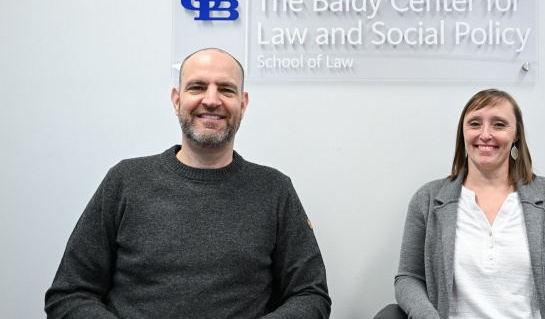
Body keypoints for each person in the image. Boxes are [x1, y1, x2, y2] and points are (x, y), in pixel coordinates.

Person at [45, 48, 331, 318]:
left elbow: (311, 294)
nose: (211, 100)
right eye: (197, 87)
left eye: (226, 89)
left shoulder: (274, 189)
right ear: (176, 100)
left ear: (242, 105)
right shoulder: (125, 181)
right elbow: (69, 294)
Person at [395, 89, 545, 319]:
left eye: (499, 125)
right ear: (463, 131)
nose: (485, 134)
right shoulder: (428, 199)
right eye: (474, 124)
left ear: (516, 134)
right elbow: (408, 278)